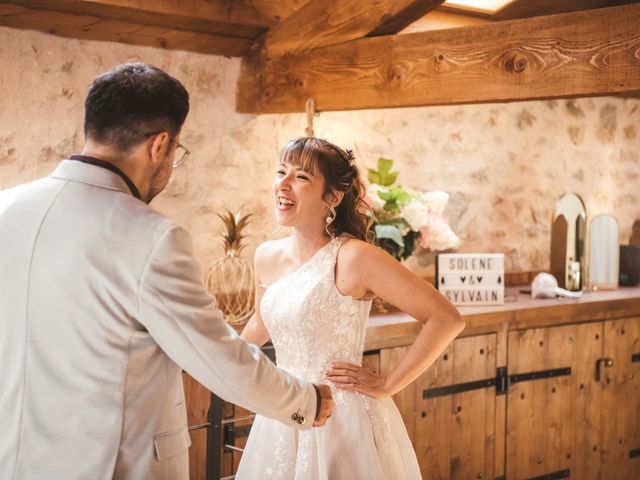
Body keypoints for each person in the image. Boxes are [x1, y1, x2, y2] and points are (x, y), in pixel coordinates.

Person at [0, 63, 332, 480]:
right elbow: (219, 359)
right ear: (159, 145)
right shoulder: (151, 236)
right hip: (116, 465)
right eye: (177, 151)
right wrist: (308, 402)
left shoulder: (6, 208)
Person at [236, 136, 465, 479]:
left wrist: (389, 383)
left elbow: (446, 318)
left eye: (301, 177)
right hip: (283, 412)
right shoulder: (265, 255)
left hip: (340, 422)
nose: (283, 184)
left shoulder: (355, 257)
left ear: (333, 196)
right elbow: (260, 323)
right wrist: (217, 357)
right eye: (281, 171)